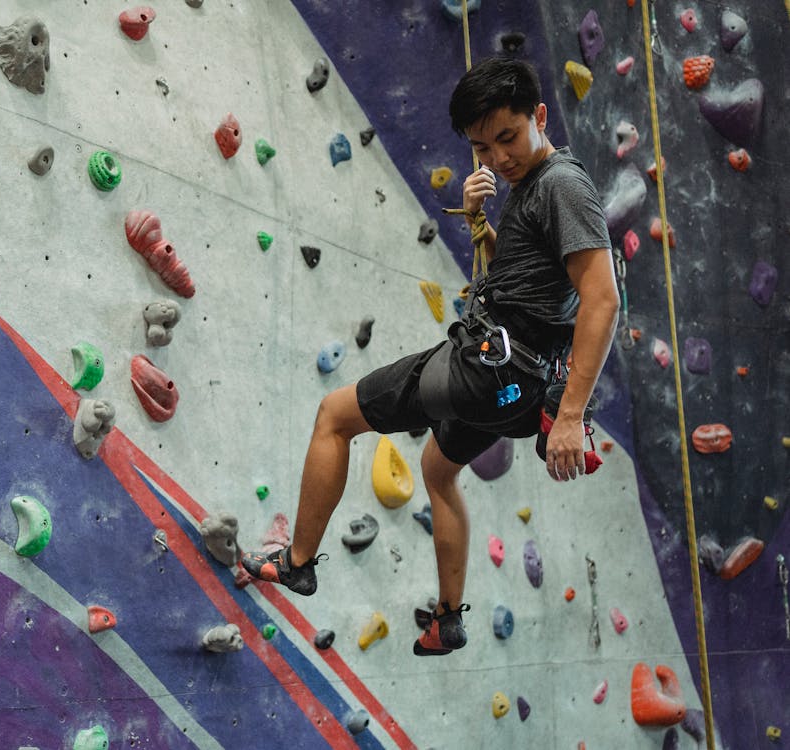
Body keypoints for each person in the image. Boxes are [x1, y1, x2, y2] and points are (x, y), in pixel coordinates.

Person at [241, 56, 619, 656]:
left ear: (540, 117)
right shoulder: (534, 190)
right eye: (482, 147)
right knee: (440, 470)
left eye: (508, 137)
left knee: (335, 416)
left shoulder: (562, 186)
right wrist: (478, 220)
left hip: (481, 372)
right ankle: (447, 620)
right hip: (515, 395)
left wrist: (571, 414)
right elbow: (527, 285)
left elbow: (602, 300)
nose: (498, 158)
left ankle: (297, 562)